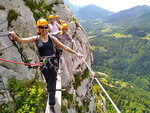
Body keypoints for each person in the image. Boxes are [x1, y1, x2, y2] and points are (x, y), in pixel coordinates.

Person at [9, 19, 83, 113]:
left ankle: (51, 104)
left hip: (53, 62)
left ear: (47, 28)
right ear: (38, 28)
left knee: (52, 82)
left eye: (45, 27)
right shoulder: (36, 39)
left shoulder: (52, 39)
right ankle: (51, 95)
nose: (44, 29)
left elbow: (64, 47)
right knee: (49, 82)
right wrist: (14, 36)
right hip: (43, 65)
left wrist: (76, 53)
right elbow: (21, 40)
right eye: (41, 27)